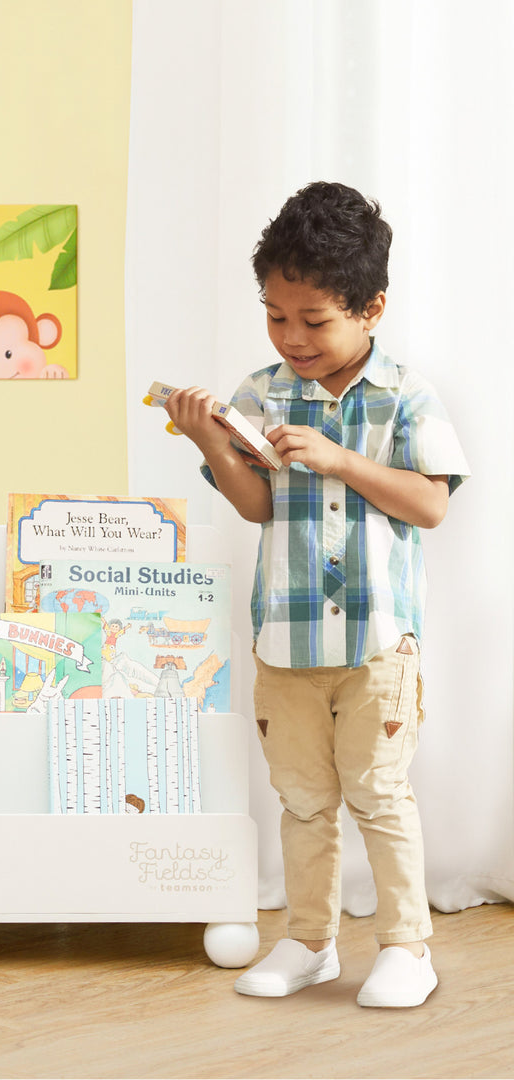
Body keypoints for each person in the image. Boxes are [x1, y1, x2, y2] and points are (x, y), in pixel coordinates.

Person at [163, 181, 469, 1008]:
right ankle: (309, 942)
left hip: (377, 645)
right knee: (303, 802)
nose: (291, 337)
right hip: (287, 644)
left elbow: (432, 504)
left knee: (380, 793)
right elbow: (258, 505)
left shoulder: (404, 395)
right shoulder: (264, 391)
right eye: (275, 315)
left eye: (313, 320)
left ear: (370, 308)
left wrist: (340, 460)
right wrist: (212, 441)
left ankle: (407, 947)